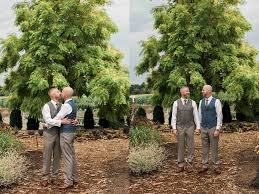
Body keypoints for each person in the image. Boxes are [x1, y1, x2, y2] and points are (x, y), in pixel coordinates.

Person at [45, 87, 78, 189]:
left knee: (67, 157)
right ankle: (74, 178)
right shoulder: (73, 103)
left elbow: (58, 118)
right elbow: (70, 117)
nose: (60, 93)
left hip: (65, 133)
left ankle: (68, 181)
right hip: (70, 132)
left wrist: (47, 124)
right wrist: (75, 121)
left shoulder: (65, 106)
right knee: (71, 156)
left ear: (65, 94)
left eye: (61, 92)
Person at [41, 88, 68, 187]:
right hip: (48, 134)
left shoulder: (63, 106)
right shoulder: (46, 106)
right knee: (47, 155)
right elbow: (48, 120)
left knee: (57, 156)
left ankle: (55, 177)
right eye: (57, 91)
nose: (60, 92)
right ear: (52, 94)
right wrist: (61, 122)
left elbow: (67, 118)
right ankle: (45, 177)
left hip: (60, 133)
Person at [171, 86, 200, 173]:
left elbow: (196, 116)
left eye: (188, 91)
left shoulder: (193, 103)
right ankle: (181, 164)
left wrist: (198, 127)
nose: (188, 92)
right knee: (180, 146)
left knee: (191, 146)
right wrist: (174, 128)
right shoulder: (176, 103)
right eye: (186, 91)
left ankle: (190, 164)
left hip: (190, 127)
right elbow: (174, 116)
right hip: (180, 127)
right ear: (182, 92)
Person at [198, 85, 223, 175]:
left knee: (214, 148)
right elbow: (199, 114)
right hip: (203, 127)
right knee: (204, 148)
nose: (202, 91)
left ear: (209, 91)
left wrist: (217, 129)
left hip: (213, 127)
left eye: (203, 90)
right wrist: (199, 127)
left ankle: (216, 166)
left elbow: (219, 115)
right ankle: (205, 165)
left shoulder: (216, 101)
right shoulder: (201, 102)